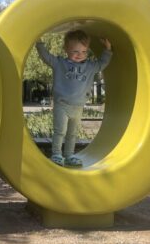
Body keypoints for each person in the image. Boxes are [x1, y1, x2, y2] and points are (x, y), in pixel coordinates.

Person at [35, 30, 112, 167]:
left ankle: (69, 155)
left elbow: (102, 64)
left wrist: (108, 49)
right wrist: (39, 42)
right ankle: (57, 154)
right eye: (75, 51)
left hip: (78, 107)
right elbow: (46, 57)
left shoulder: (90, 67)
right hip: (62, 105)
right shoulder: (59, 64)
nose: (79, 55)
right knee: (60, 131)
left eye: (84, 51)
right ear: (66, 49)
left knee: (72, 133)